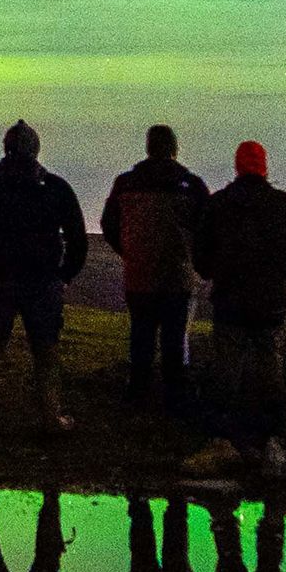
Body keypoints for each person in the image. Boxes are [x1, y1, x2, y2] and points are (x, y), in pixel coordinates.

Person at [0, 120, 89, 435]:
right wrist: (64, 276)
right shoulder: (56, 188)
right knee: (46, 352)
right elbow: (78, 239)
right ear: (36, 149)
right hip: (41, 283)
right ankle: (51, 417)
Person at [191, 140, 286, 430]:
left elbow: (201, 253)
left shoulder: (218, 204)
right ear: (264, 166)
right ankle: (273, 421)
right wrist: (283, 279)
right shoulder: (284, 204)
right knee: (269, 358)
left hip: (229, 298)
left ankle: (220, 423)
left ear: (237, 166)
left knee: (227, 362)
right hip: (270, 300)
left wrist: (213, 273)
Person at [99, 125, 209, 410]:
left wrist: (129, 252)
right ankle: (174, 397)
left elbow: (108, 224)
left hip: (139, 274)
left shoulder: (125, 183)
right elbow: (206, 227)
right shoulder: (191, 184)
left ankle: (137, 392)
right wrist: (194, 258)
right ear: (174, 148)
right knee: (174, 338)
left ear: (148, 147)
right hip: (177, 274)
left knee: (141, 335)